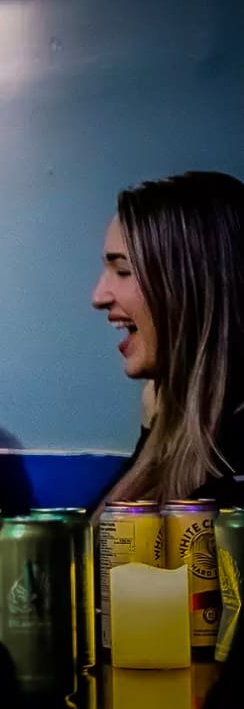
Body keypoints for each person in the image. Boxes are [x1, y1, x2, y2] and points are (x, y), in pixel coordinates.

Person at [91, 171, 244, 511]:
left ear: (197, 287)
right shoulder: (171, 424)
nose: (98, 296)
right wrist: (152, 431)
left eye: (123, 270)